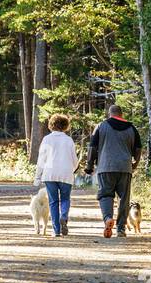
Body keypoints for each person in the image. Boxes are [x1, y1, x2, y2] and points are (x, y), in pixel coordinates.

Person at [85, 102, 142, 238]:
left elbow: (92, 147)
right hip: (125, 168)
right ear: (121, 115)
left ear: (110, 114)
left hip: (106, 167)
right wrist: (135, 163)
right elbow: (138, 149)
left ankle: (108, 218)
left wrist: (89, 165)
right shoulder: (132, 128)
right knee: (124, 198)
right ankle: (121, 228)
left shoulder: (101, 126)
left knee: (105, 194)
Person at [35, 113, 79, 236]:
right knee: (65, 199)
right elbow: (74, 160)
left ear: (51, 125)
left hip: (50, 174)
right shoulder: (68, 140)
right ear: (65, 126)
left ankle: (56, 231)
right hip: (66, 173)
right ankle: (63, 216)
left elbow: (41, 159)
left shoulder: (46, 139)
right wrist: (73, 169)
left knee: (53, 202)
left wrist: (37, 177)